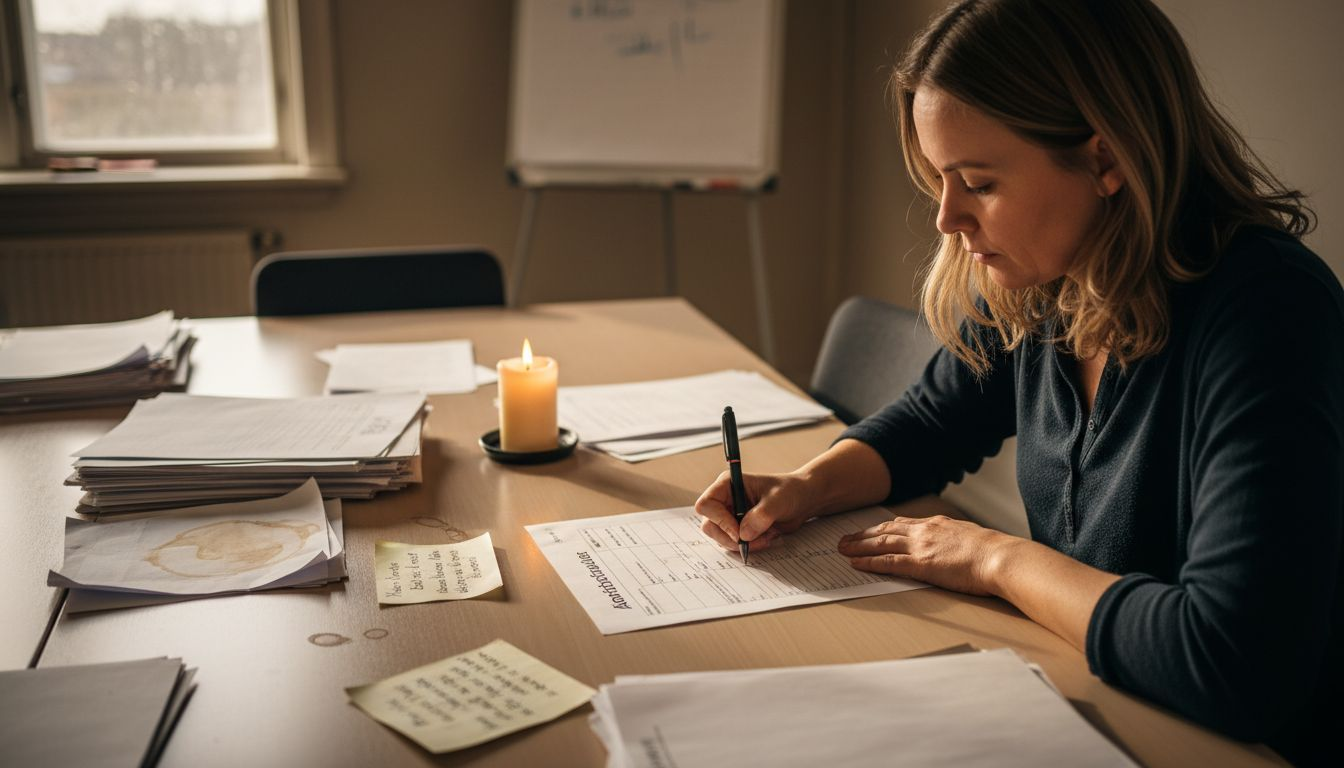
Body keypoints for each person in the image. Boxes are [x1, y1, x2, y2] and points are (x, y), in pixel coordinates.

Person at [693, 0, 1342, 764]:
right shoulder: (1050, 282)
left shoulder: (1269, 313)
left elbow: (1234, 664)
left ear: (1105, 160)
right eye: (940, 179)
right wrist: (807, 486)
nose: (946, 218)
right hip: (1093, 699)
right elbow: (933, 423)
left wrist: (994, 559)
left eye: (977, 182)